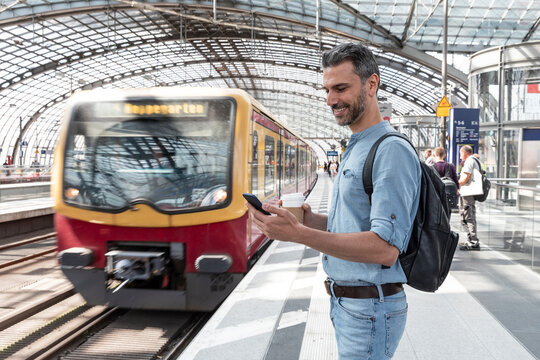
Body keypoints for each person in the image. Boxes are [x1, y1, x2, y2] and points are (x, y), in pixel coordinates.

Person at [246, 42, 421, 360]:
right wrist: (305, 220)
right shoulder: (357, 146)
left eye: (341, 88)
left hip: (370, 306)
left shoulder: (390, 149)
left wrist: (299, 235)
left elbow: (385, 248)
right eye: (327, 90)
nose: (330, 100)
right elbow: (354, 224)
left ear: (372, 84)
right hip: (350, 303)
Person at [458, 145, 481, 250]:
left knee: (469, 215)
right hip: (469, 192)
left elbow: (465, 177)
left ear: (465, 152)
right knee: (468, 215)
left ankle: (473, 241)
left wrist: (457, 184)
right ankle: (470, 239)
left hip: (468, 193)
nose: (460, 156)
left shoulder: (469, 161)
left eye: (460, 153)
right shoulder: (475, 160)